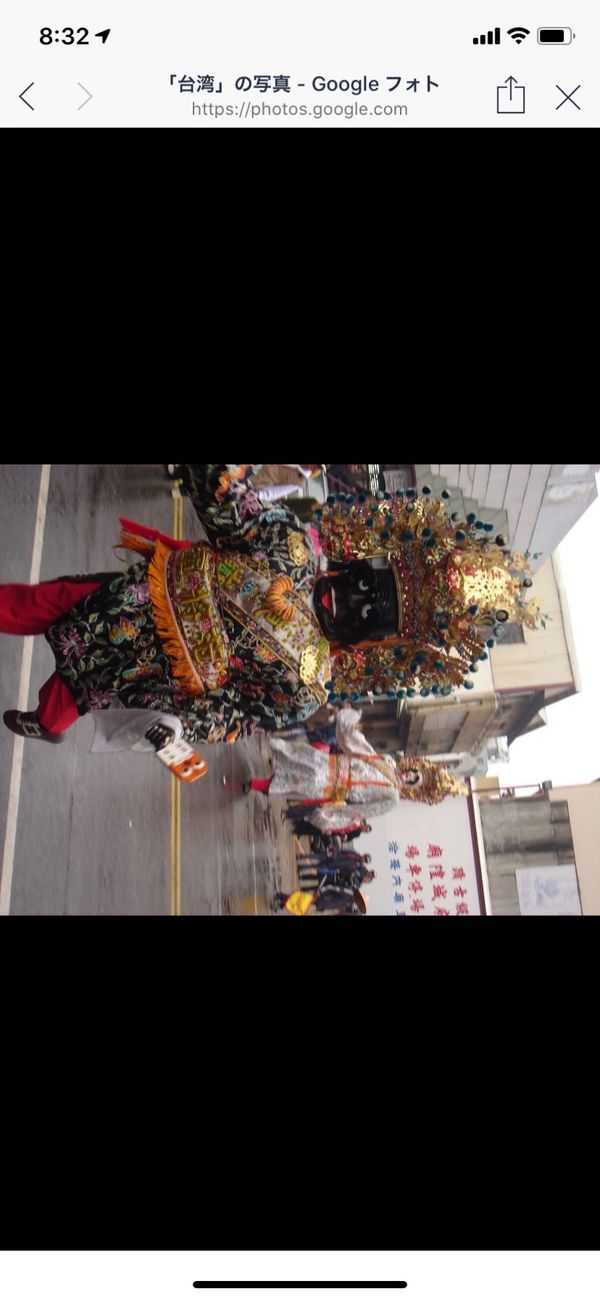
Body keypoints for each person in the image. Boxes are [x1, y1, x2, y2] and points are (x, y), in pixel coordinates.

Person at [244, 705, 468, 831]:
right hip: (335, 763)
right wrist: (349, 729)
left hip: (336, 786)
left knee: (299, 783)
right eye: (413, 772)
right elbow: (362, 749)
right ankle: (261, 733)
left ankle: (256, 785)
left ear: (413, 789)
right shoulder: (387, 762)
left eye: (413, 780)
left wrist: (334, 817)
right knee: (296, 755)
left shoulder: (392, 799)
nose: (408, 775)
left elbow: (361, 812)